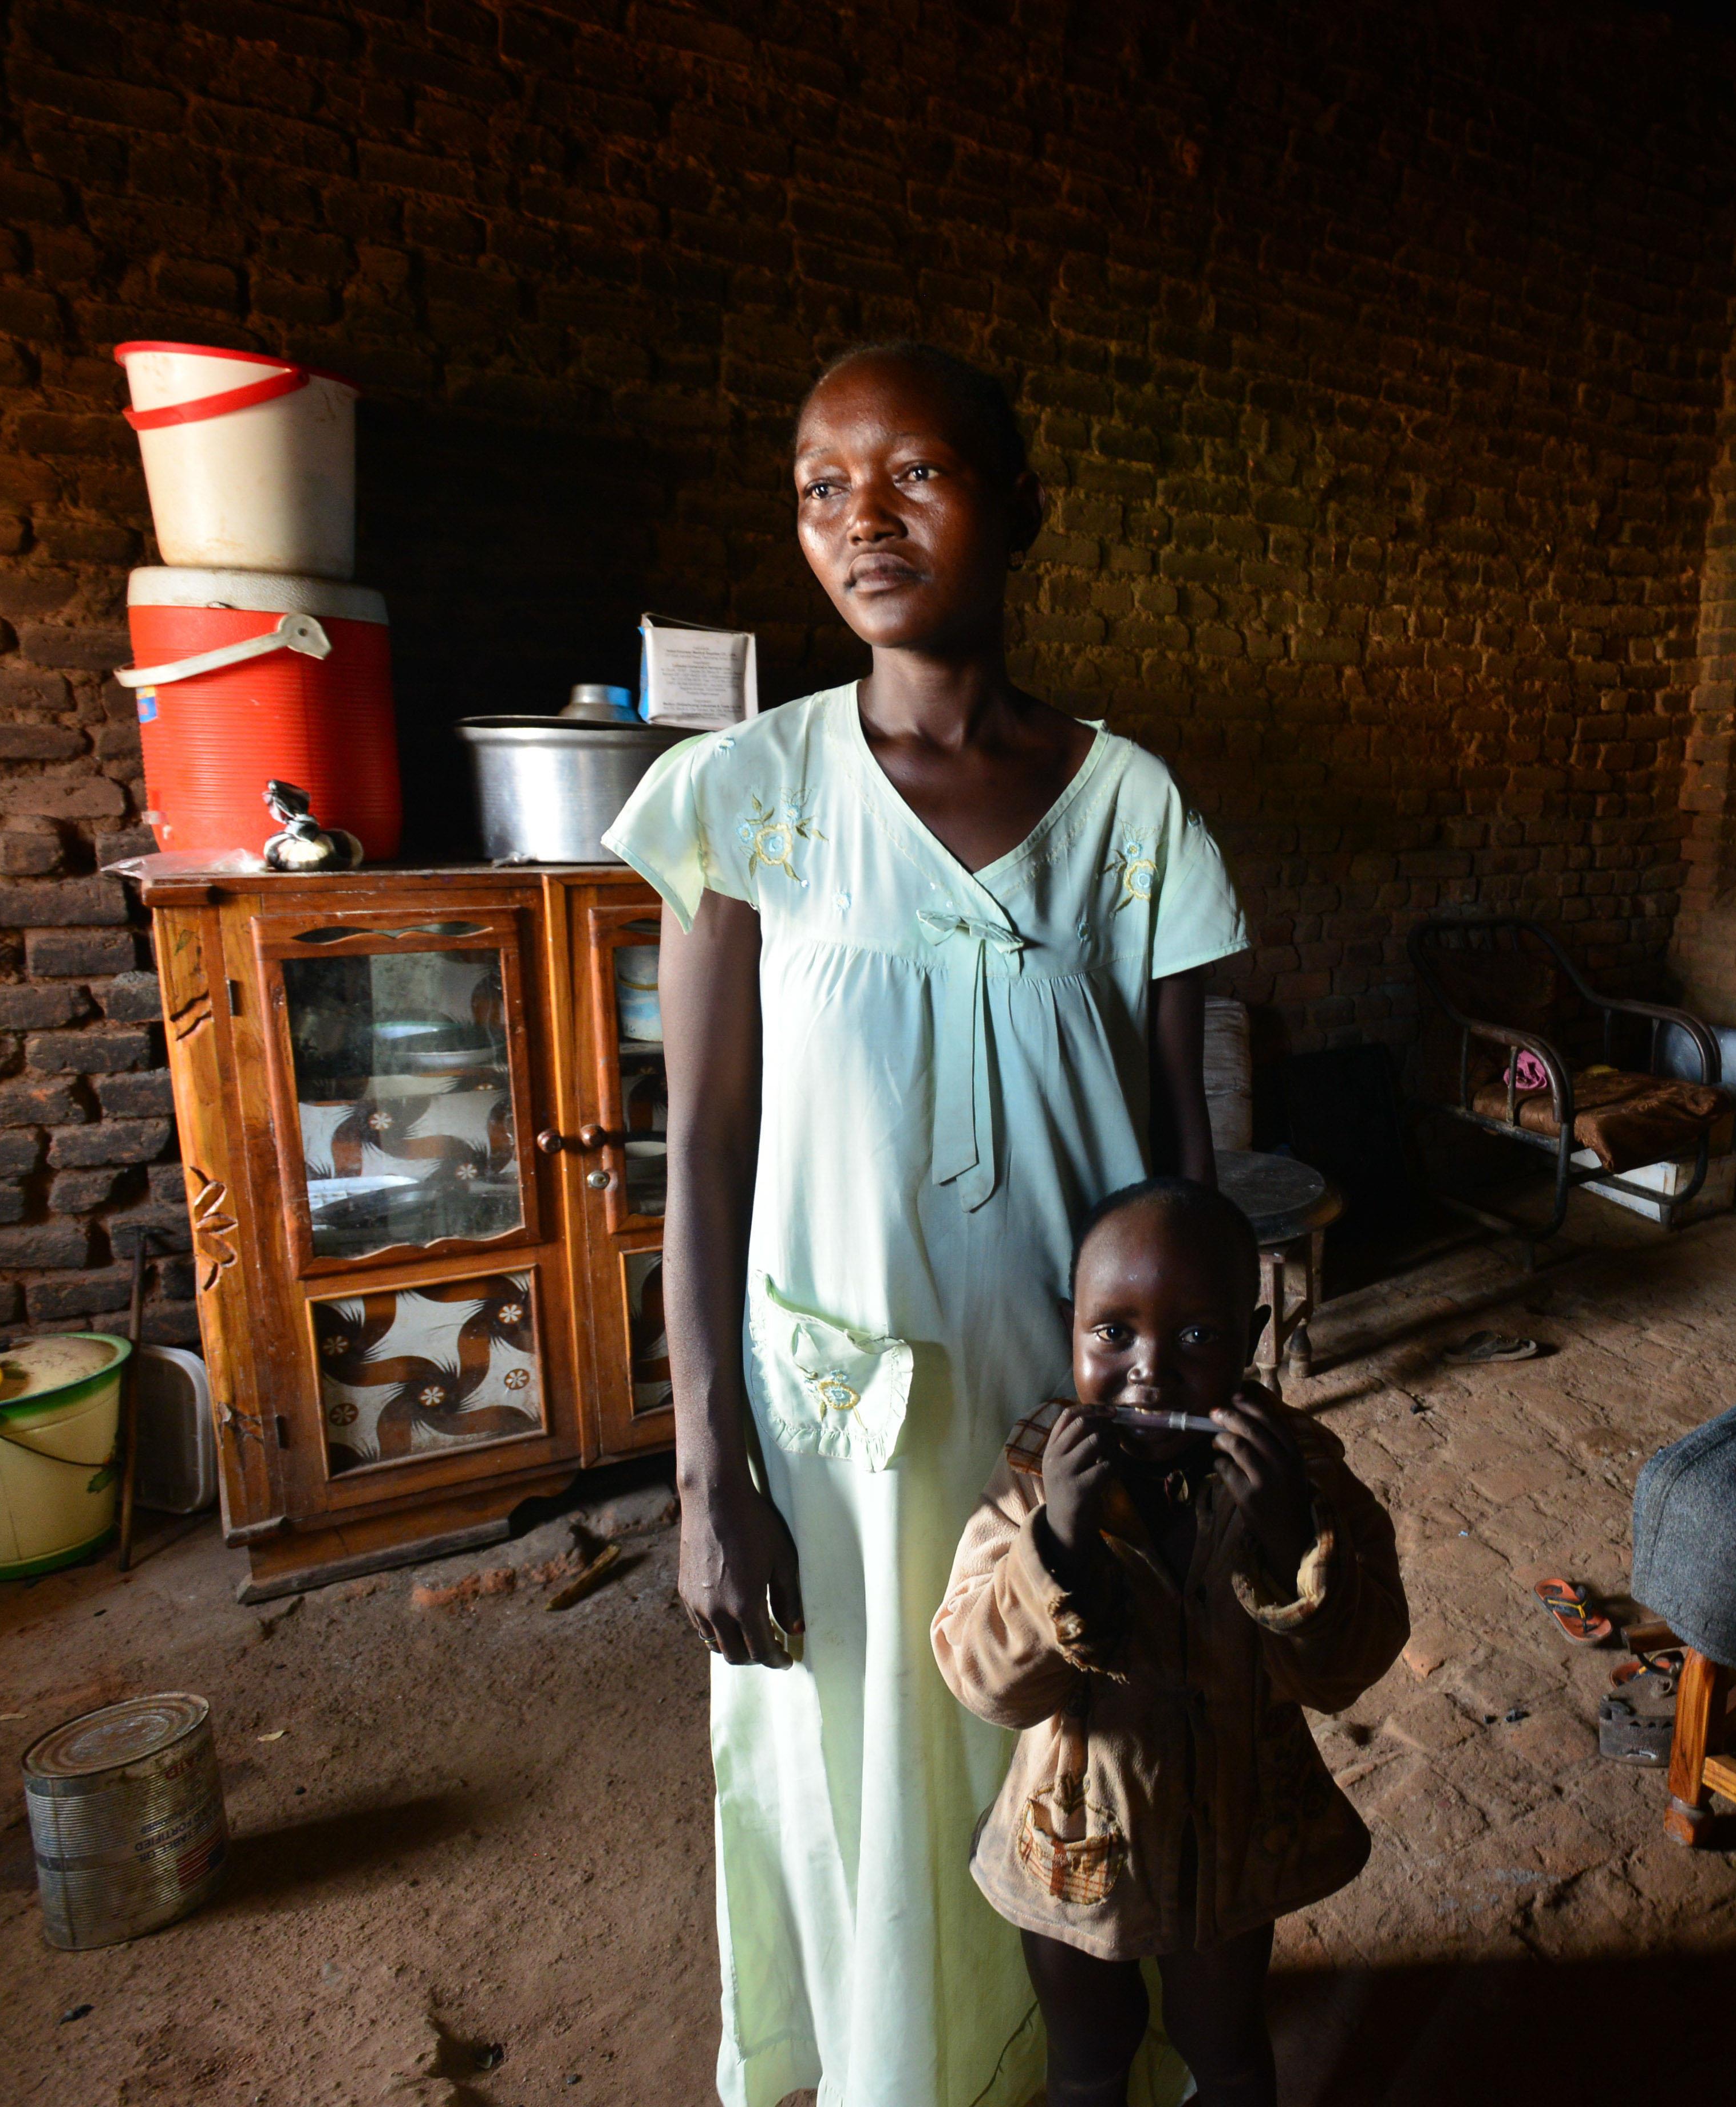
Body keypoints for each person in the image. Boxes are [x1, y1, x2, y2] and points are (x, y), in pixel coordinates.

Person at [605, 343, 1248, 2107]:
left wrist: (1200, 1440)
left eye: (917, 475)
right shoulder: (749, 798)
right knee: (861, 1773)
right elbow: (709, 1159)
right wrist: (707, 1467)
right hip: (840, 1433)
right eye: (823, 482)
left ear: (1020, 509)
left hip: (1077, 1425)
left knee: (1081, 1762)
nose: (862, 519)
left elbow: (1194, 1172)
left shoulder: (1132, 815)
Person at [933, 1180, 1409, 2107]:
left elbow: (1347, 1669)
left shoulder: (1297, 1468)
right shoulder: (1036, 1475)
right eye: (1113, 1332)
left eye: (1197, 1335)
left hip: (1233, 1844)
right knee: (1087, 2054)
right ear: (1072, 1328)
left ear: (1255, 1332)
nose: (1149, 1371)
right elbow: (982, 1682)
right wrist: (1057, 1545)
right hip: (1071, 1850)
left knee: (1226, 2046)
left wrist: (1285, 1534)